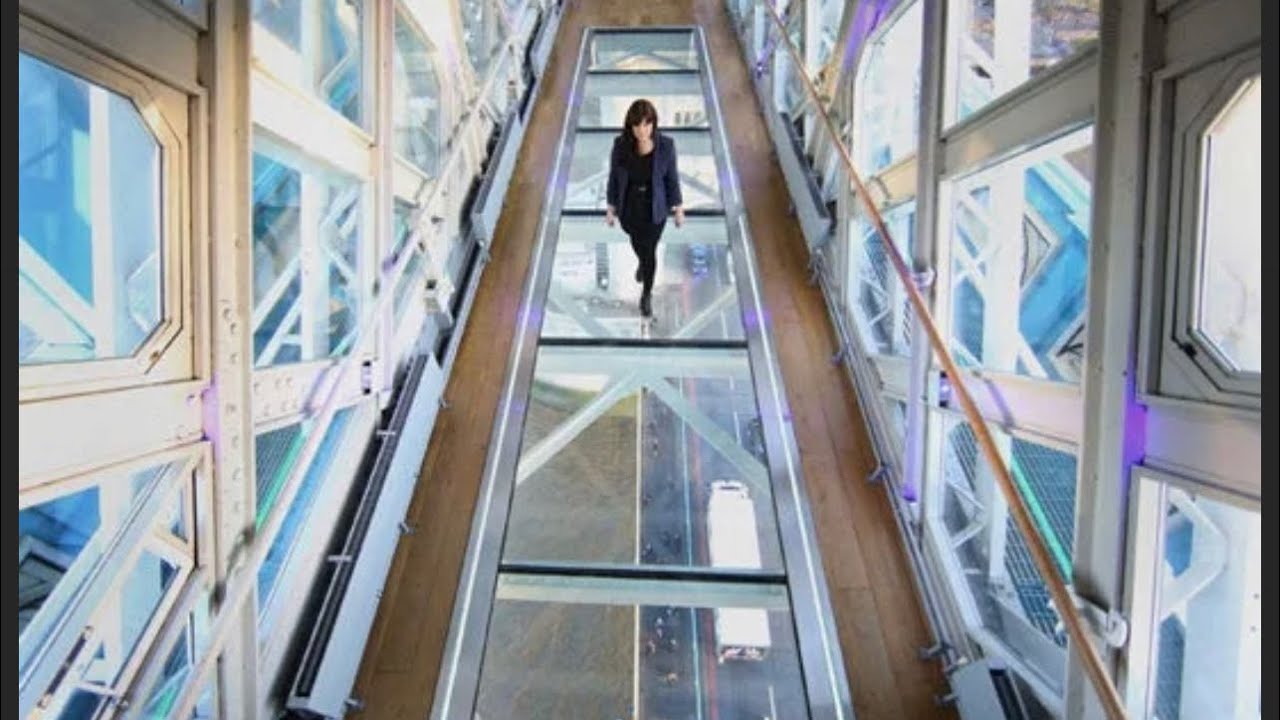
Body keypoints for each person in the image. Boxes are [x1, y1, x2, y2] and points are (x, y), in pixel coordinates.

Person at [605, 99, 685, 318]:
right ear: (630, 126)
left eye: (647, 124)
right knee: (637, 243)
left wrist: (678, 207)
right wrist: (611, 206)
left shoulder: (666, 146)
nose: (643, 130)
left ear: (654, 124)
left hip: (655, 208)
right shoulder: (620, 146)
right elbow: (614, 177)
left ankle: (646, 294)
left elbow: (672, 178)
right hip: (630, 207)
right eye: (638, 125)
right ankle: (642, 262)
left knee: (650, 251)